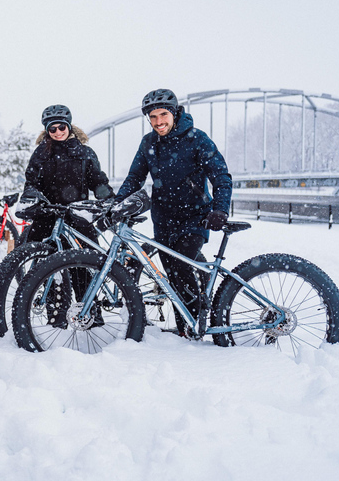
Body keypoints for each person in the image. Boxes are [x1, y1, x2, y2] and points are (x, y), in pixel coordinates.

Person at [116, 88, 233, 337]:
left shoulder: (197, 139)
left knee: (180, 267)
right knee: (173, 275)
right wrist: (117, 205)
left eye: (163, 115)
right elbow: (135, 177)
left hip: (195, 217)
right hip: (164, 219)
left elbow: (221, 176)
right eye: (153, 117)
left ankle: (193, 328)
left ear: (175, 112)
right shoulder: (149, 143)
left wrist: (220, 210)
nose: (158, 122)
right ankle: (187, 326)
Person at [22, 104, 114, 327]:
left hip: (77, 217)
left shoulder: (85, 152)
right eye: (52, 129)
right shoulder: (41, 154)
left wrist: (106, 197)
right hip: (48, 217)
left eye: (61, 127)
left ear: (69, 126)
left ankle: (90, 313)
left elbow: (98, 181)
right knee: (50, 270)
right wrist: (34, 197)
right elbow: (30, 183)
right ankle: (56, 317)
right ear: (47, 131)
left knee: (82, 267)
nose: (57, 132)